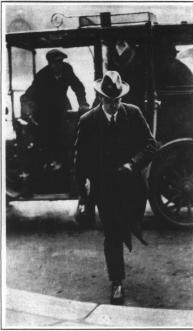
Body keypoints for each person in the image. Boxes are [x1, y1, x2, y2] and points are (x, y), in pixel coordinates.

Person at [74, 71, 158, 304]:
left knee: (126, 225)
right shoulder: (88, 121)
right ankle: (117, 282)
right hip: (105, 188)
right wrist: (83, 196)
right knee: (112, 234)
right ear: (100, 98)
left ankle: (130, 229)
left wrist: (133, 164)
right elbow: (80, 163)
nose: (114, 105)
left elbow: (151, 145)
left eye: (117, 100)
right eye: (109, 101)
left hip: (132, 187)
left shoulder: (133, 113)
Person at [21, 49, 89, 167]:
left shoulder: (67, 69)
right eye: (55, 63)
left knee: (68, 130)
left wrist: (83, 103)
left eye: (60, 62)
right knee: (47, 134)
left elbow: (78, 87)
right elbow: (30, 94)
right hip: (45, 107)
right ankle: (48, 161)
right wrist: (28, 108)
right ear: (50, 64)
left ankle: (65, 160)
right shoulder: (41, 75)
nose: (59, 65)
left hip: (62, 104)